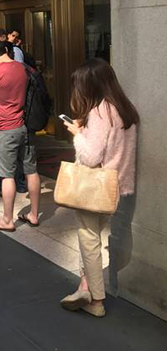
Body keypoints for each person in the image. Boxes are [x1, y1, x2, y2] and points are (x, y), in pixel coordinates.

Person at [60, 58, 139, 318]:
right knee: (94, 237)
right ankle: (84, 286)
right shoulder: (124, 108)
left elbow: (91, 156)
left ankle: (96, 299)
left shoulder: (100, 111)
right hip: (118, 186)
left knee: (89, 239)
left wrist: (76, 134)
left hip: (97, 185)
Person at [0, 39, 41, 232]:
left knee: (6, 176)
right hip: (24, 126)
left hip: (6, 128)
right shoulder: (21, 68)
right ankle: (34, 215)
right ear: (6, 50)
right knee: (31, 171)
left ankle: (7, 220)